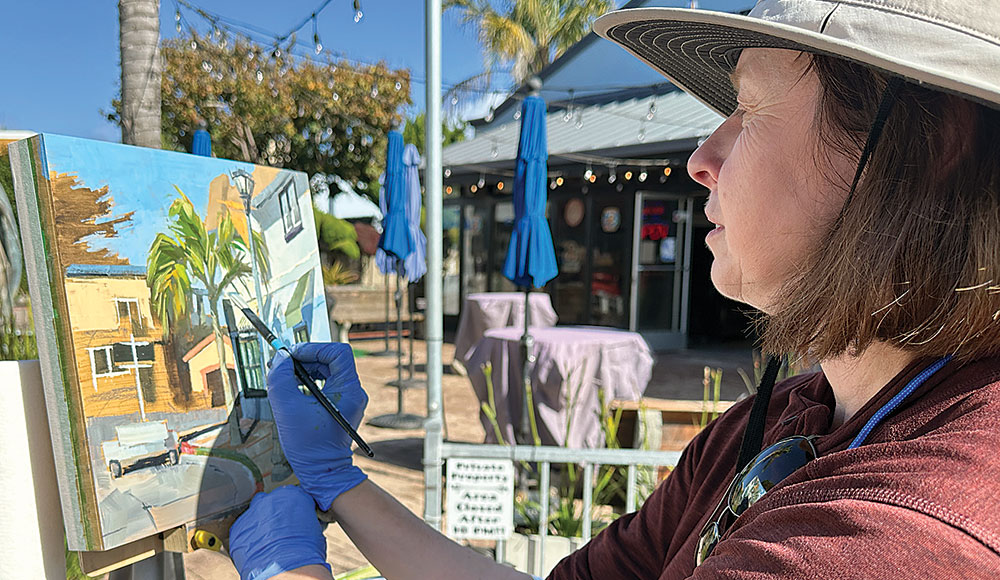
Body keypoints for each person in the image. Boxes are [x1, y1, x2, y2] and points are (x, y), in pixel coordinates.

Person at [229, 1, 1000, 578]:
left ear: (922, 147)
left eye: (749, 107)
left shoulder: (899, 534)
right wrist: (342, 484)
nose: (701, 156)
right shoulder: (768, 428)